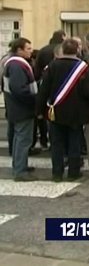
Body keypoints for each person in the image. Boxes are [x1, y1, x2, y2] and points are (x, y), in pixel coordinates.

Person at [36, 38, 89, 182]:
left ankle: (57, 173)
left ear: (62, 50)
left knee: (57, 144)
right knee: (74, 143)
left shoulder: (52, 66)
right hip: (76, 112)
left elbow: (43, 90)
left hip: (56, 111)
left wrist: (39, 111)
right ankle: (73, 172)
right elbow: (88, 91)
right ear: (77, 50)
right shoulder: (83, 68)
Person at [3, 38, 38, 182]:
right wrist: (33, 101)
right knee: (23, 139)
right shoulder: (17, 65)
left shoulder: (12, 63)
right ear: (19, 50)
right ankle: (20, 171)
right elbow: (19, 89)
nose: (31, 51)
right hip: (22, 108)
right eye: (28, 48)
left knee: (19, 138)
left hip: (15, 107)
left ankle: (19, 164)